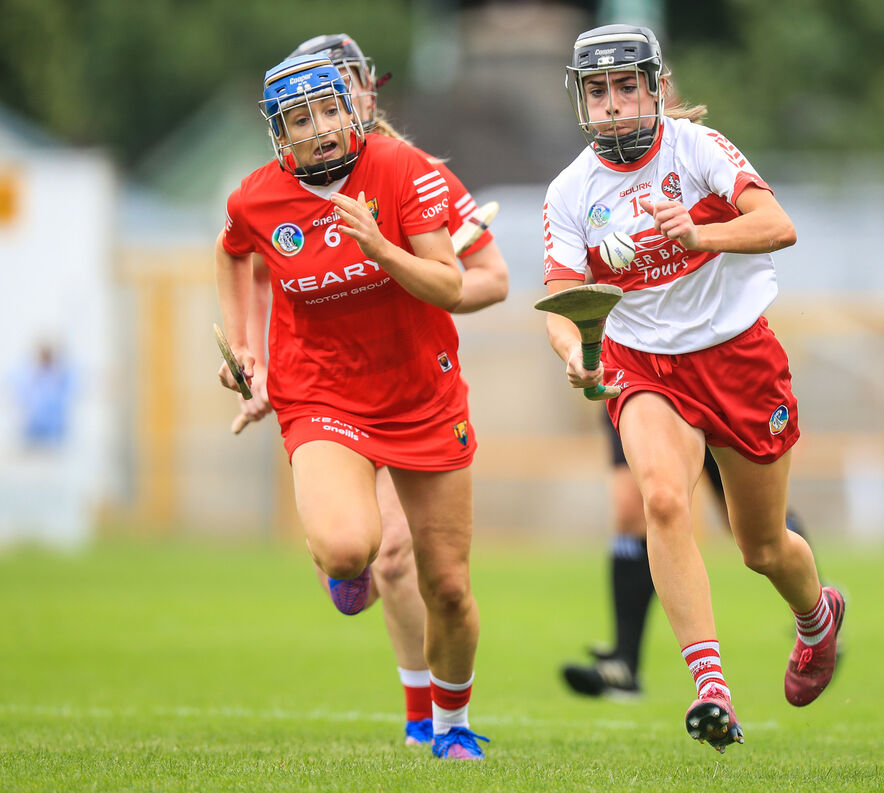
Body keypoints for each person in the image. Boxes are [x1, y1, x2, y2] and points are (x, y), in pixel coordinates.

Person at [542, 24, 845, 752]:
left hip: (739, 358)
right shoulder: (571, 189)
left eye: (624, 87)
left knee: (764, 547)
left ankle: (818, 619)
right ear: (581, 100)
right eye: (597, 91)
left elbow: (778, 224)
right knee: (664, 499)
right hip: (644, 364)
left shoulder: (697, 150)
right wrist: (575, 352)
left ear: (653, 88)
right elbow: (559, 290)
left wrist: (698, 236)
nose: (612, 105)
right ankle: (711, 687)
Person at [231, 34, 507, 753]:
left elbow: (485, 280)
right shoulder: (266, 192)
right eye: (305, 109)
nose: (325, 118)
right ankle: (349, 578)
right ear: (282, 123)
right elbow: (252, 259)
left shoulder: (411, 172)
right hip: (325, 391)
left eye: (337, 95)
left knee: (439, 580)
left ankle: (440, 723)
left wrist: (396, 261)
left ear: (362, 92)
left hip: (419, 388)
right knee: (370, 553)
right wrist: (252, 358)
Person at [561, 415, 808, 699]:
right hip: (640, 380)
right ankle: (625, 662)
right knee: (637, 508)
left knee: (757, 534)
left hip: (712, 384)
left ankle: (817, 608)